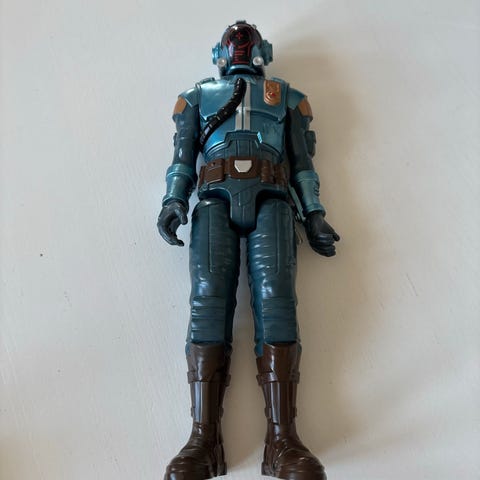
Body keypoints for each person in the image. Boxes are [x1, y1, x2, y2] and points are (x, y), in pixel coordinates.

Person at [157, 20, 339, 480]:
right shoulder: (197, 97)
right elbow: (182, 157)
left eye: (246, 41)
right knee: (207, 300)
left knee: (277, 300)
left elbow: (302, 162)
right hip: (214, 200)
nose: (240, 45)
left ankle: (283, 439)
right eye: (234, 42)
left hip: (273, 199)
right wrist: (174, 200)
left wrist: (314, 213)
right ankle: (203, 439)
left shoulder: (288, 98)